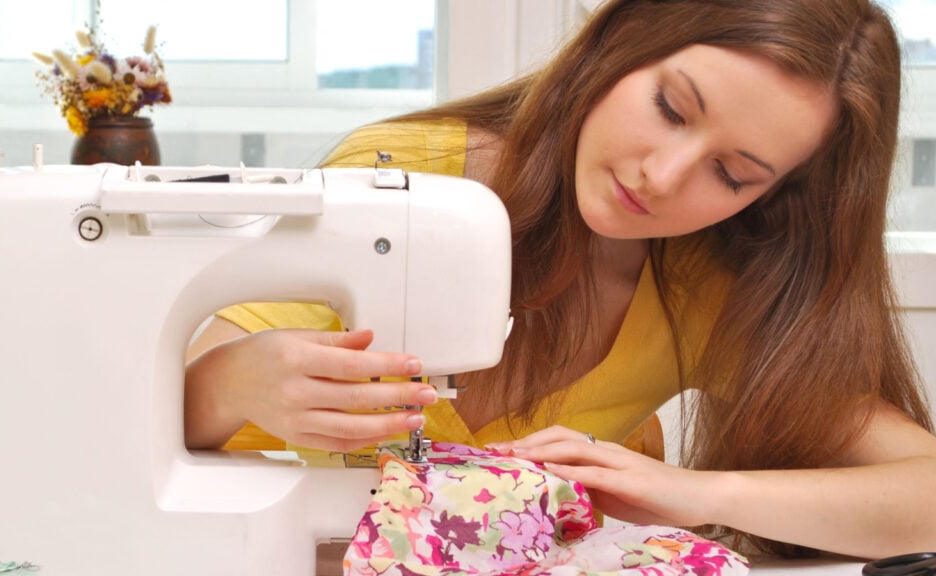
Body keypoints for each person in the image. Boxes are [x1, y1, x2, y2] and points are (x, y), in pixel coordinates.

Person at [184, 0, 936, 560]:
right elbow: (139, 424)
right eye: (671, 109)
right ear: (621, 42)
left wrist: (698, 494)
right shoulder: (400, 176)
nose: (664, 176)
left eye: (732, 174)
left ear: (773, 199)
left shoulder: (701, 289)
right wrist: (234, 384)